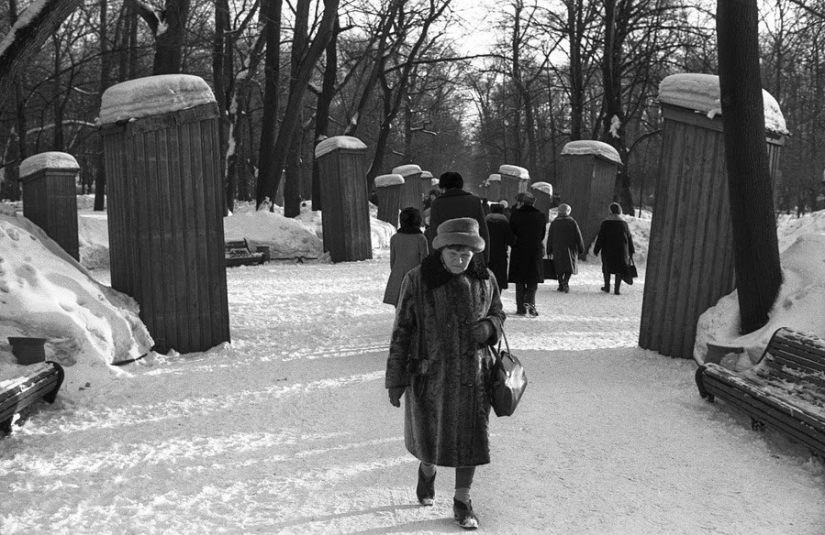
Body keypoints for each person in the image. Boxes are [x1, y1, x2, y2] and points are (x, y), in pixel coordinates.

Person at [385, 217, 505, 530]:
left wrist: (489, 327)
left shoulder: (485, 278)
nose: (460, 258)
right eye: (454, 251)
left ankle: (462, 500)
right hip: (431, 377)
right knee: (431, 442)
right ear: (441, 248)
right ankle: (427, 473)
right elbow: (402, 330)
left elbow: (498, 312)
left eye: (466, 252)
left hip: (473, 377)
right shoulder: (418, 280)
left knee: (471, 442)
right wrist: (396, 380)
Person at [426, 171, 490, 265]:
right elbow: (483, 231)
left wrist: (434, 260)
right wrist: (485, 258)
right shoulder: (475, 201)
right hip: (472, 256)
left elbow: (434, 235)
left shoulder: (437, 204)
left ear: (443, 187)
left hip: (447, 257)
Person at [508, 192, 547, 316]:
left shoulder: (515, 215)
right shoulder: (540, 216)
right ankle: (530, 304)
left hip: (519, 250)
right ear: (534, 203)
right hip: (534, 251)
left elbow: (511, 232)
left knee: (519, 281)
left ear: (522, 202)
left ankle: (520, 308)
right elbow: (542, 235)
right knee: (532, 280)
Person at [383, 207, 429, 306]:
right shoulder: (421, 238)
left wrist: (396, 272)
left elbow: (393, 261)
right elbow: (424, 261)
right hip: (415, 277)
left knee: (400, 307)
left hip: (398, 277)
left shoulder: (395, 238)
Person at [593, 202, 636, 295]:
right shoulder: (624, 224)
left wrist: (596, 249)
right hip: (621, 250)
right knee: (619, 269)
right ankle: (617, 289)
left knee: (607, 267)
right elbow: (629, 237)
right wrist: (631, 250)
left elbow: (601, 237)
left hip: (608, 249)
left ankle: (607, 287)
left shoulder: (605, 223)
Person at [547, 203, 584, 293]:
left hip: (557, 248)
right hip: (570, 248)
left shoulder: (554, 223)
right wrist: (581, 247)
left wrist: (549, 249)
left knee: (559, 266)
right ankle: (566, 281)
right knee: (569, 266)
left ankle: (561, 283)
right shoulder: (572, 222)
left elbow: (550, 237)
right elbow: (578, 236)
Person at [485, 203, 514, 292]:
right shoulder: (504, 223)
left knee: (486, 279)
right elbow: (511, 240)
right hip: (500, 255)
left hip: (487, 254)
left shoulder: (485, 222)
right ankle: (496, 301)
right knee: (498, 280)